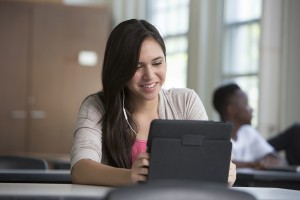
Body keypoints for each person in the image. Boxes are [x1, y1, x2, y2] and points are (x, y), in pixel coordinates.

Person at [70, 19, 236, 187]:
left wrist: (223, 173)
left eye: (157, 62)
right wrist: (130, 176)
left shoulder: (186, 101)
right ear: (119, 68)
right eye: (137, 66)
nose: (149, 75)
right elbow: (80, 169)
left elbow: (206, 160)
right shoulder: (97, 106)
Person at [212, 83, 286, 169]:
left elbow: (279, 159)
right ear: (232, 110)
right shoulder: (215, 137)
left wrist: (273, 161)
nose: (251, 109)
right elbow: (220, 164)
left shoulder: (249, 132)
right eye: (246, 104)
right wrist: (254, 164)